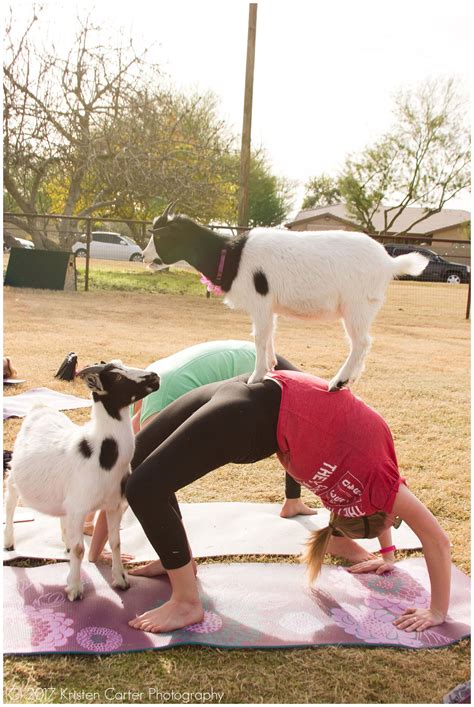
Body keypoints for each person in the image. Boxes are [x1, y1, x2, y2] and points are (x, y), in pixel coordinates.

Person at [124, 369, 451, 635]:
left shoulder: (369, 488)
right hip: (256, 388)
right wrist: (431, 604)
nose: (393, 517)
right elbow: (436, 539)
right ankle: (178, 564)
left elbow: (388, 511)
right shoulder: (376, 483)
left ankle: (185, 600)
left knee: (143, 486)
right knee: (134, 463)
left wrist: (389, 556)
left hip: (252, 411)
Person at [87, 341, 319, 560]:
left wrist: (96, 551)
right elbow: (128, 473)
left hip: (254, 361)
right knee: (147, 471)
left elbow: (128, 477)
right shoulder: (154, 390)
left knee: (302, 424)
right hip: (249, 357)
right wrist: (96, 546)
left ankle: (295, 502)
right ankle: (293, 500)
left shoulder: (156, 394)